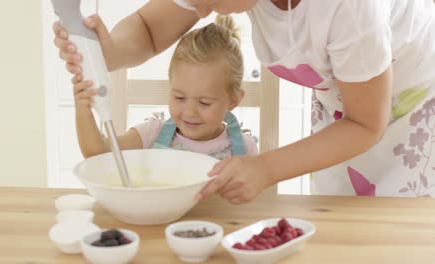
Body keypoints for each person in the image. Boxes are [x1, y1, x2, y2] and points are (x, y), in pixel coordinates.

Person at [53, 0, 435, 202]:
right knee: (343, 222)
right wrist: (109, 52)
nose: (198, 7)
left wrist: (266, 168)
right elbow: (151, 30)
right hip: (344, 106)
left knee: (394, 232)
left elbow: (366, 121)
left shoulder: (349, 7)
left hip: (408, 102)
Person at [71, 14, 258, 162]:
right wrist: (83, 110)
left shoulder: (245, 149)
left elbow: (254, 206)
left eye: (204, 102)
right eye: (179, 98)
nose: (190, 111)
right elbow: (100, 154)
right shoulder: (152, 133)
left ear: (233, 100)